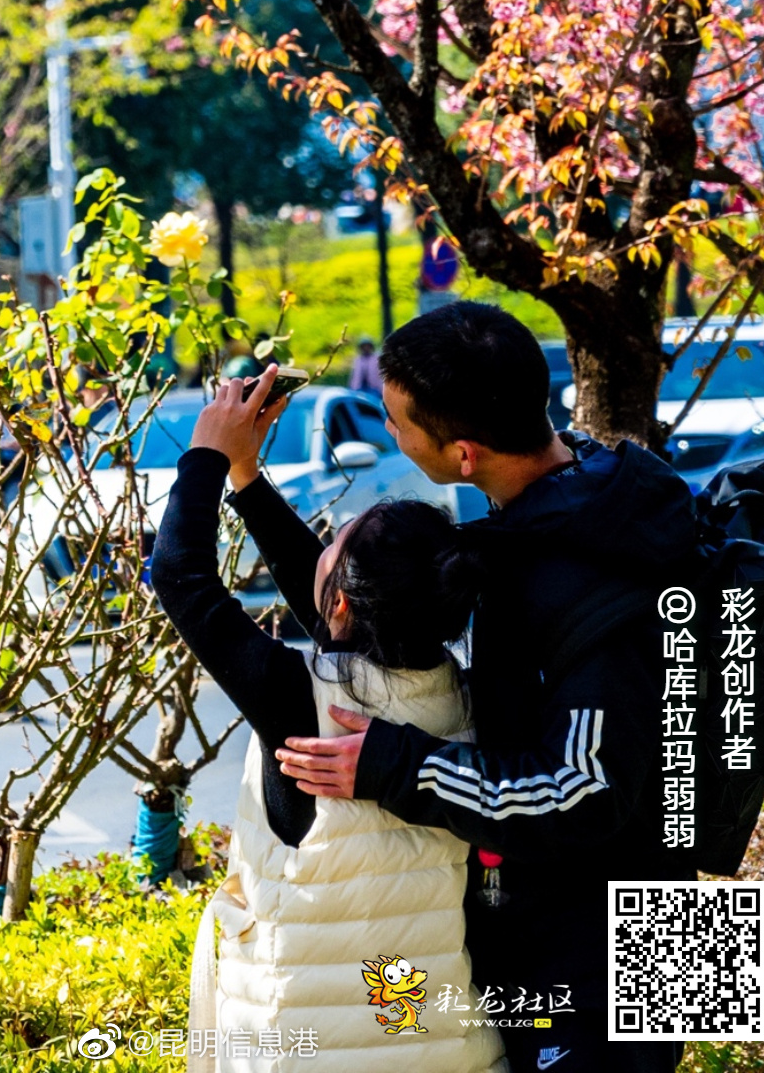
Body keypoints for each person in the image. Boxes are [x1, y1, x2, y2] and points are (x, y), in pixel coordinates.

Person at [276, 304, 697, 1073]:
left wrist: (394, 766)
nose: (390, 433)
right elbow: (363, 596)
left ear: (463, 453)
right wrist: (246, 480)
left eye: (399, 421)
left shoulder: (589, 575)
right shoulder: (583, 500)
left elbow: (584, 793)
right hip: (626, 904)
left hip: (623, 931)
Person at [151, 366, 506, 1072]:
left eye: (334, 543)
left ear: (339, 602)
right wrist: (247, 481)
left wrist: (206, 455)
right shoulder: (457, 694)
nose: (322, 550)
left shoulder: (303, 699)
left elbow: (177, 574)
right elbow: (340, 604)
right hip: (445, 1051)